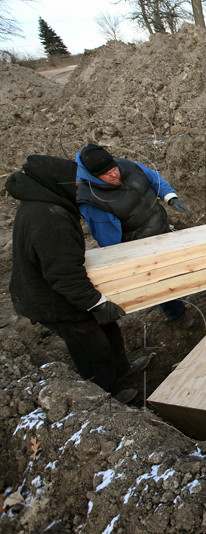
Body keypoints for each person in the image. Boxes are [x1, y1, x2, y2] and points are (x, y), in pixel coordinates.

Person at [7, 155, 150, 404]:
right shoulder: (49, 218)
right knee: (90, 344)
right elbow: (64, 275)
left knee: (108, 328)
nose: (79, 187)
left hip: (54, 288)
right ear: (57, 184)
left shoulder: (44, 203)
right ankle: (107, 395)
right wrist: (96, 303)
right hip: (50, 300)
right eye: (74, 183)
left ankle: (121, 369)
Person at [75, 144, 197, 330]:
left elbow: (153, 178)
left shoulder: (128, 166)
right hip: (138, 247)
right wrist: (130, 267)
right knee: (157, 281)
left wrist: (170, 197)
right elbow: (110, 243)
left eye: (113, 168)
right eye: (106, 174)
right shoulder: (93, 201)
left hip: (160, 230)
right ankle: (176, 314)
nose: (114, 175)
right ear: (93, 176)